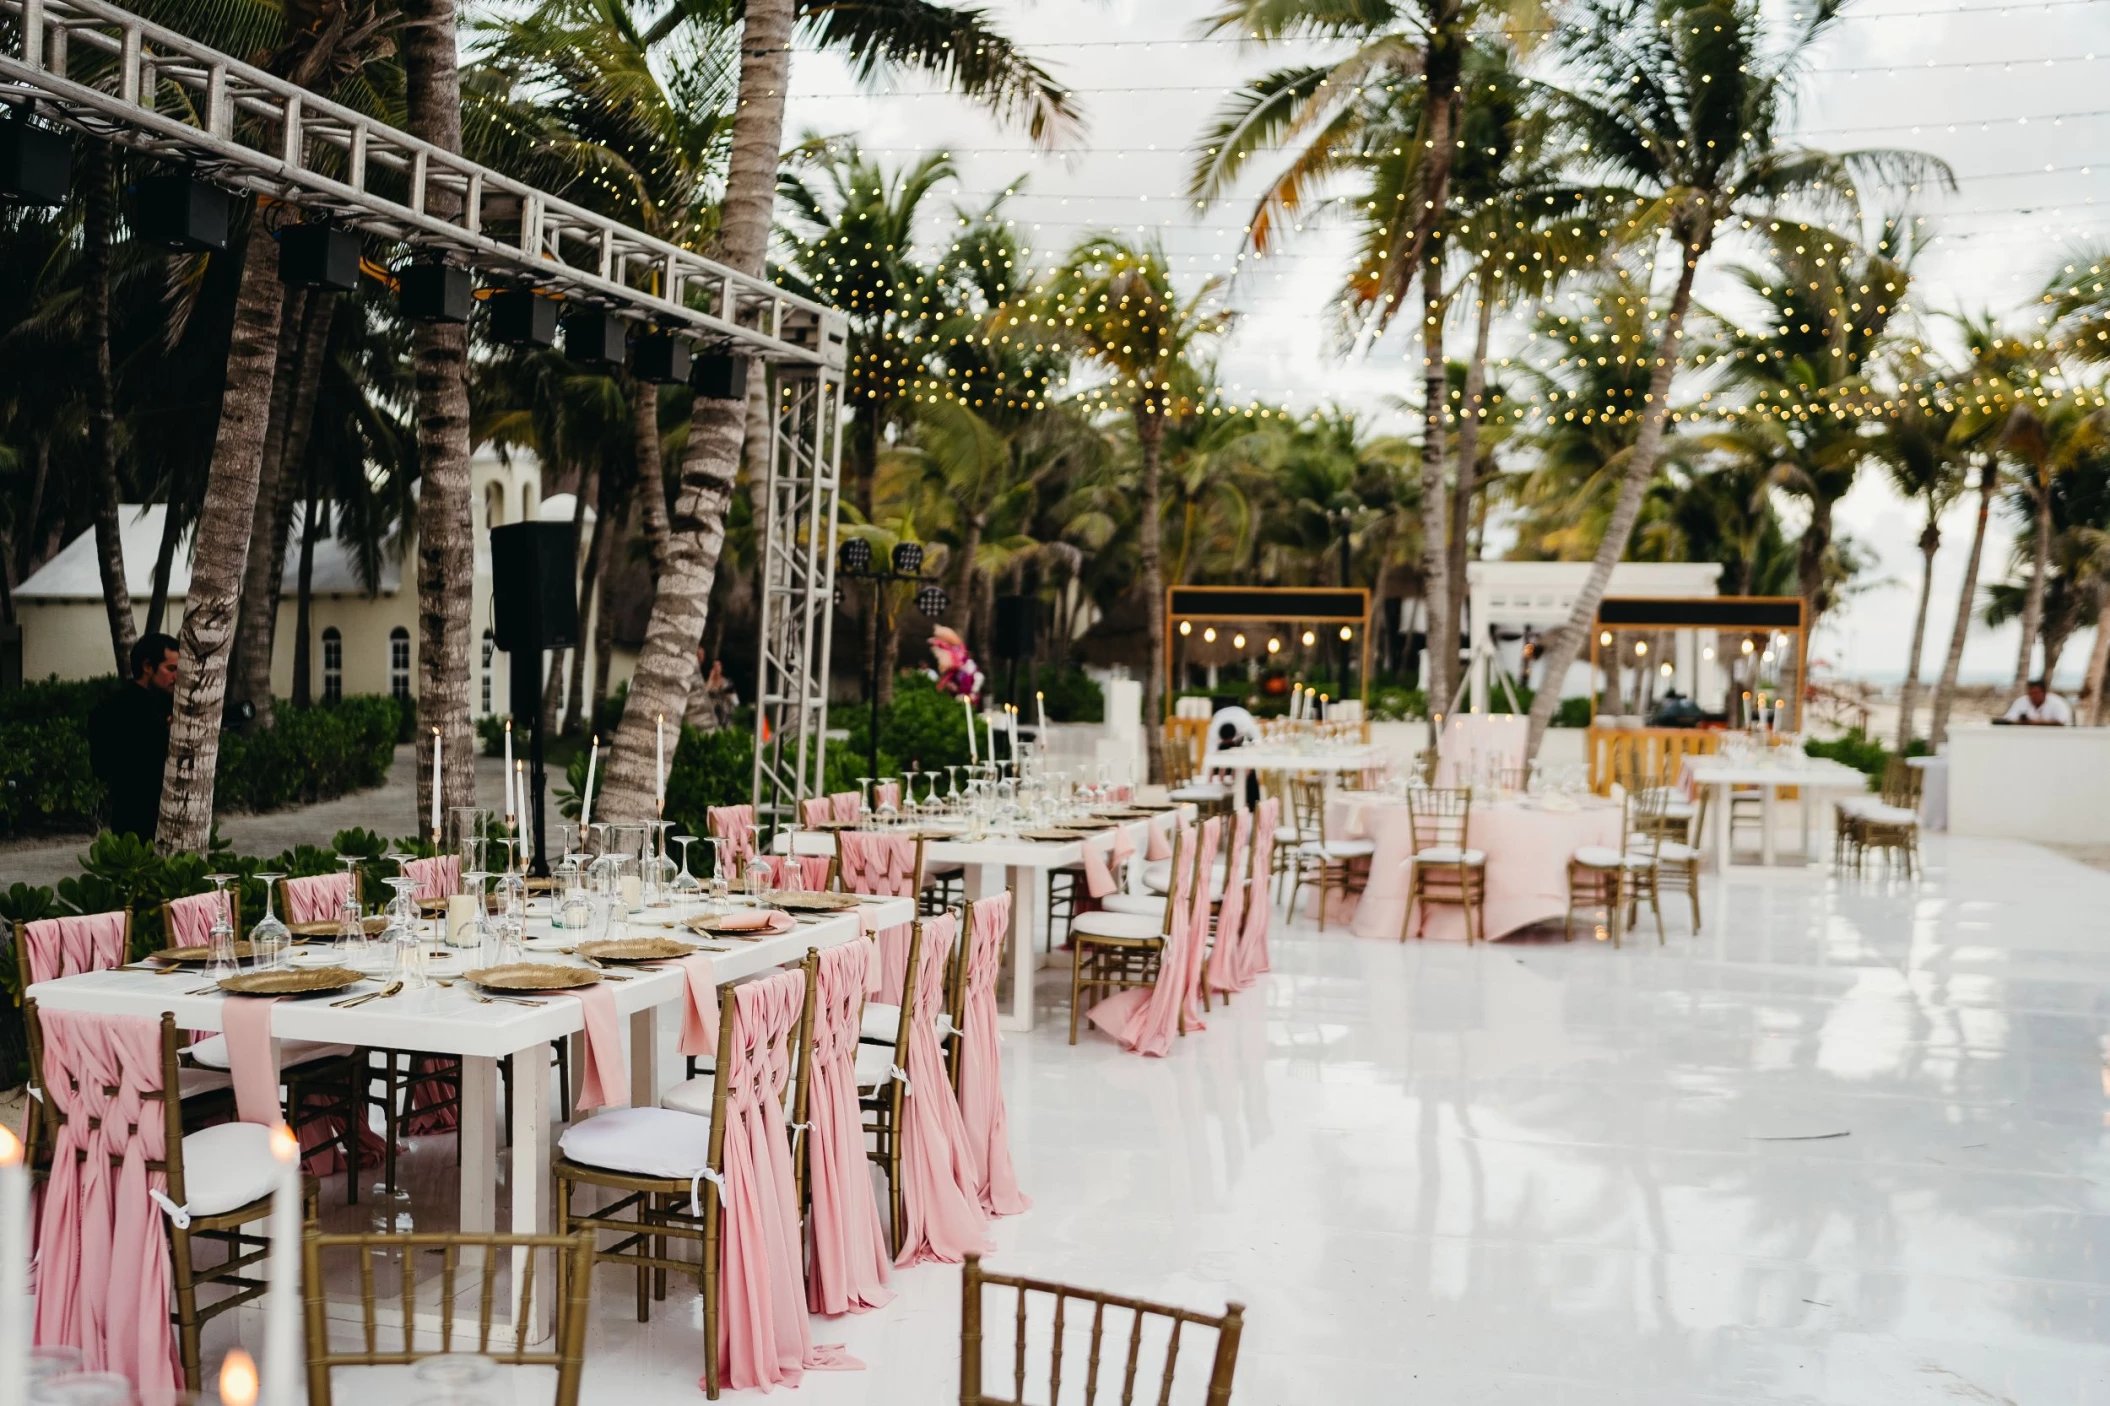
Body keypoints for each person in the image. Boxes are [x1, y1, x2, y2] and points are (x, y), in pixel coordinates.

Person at [89, 632, 178, 840]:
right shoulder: (113, 708)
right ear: (148, 667)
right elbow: (103, 764)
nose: (177, 677)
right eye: (171, 669)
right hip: (133, 816)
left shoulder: (168, 703)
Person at [2001, 678, 2073, 726]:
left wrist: (2034, 722)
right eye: (2030, 693)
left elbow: (2062, 722)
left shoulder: (2058, 703)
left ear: (2044, 692)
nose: (2033, 696)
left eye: (2036, 693)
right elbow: (2008, 720)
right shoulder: (2021, 701)